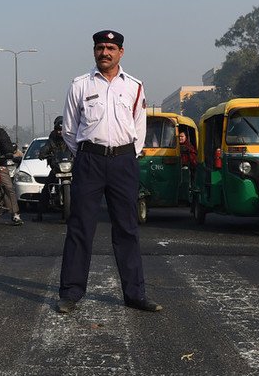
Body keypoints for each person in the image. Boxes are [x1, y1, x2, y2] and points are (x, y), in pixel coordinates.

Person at [57, 29, 161, 314]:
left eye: (111, 48)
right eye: (100, 47)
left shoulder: (135, 86)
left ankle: (135, 294)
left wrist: (127, 156)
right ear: (94, 51)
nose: (105, 52)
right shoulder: (79, 85)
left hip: (124, 163)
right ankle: (71, 293)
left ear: (121, 52)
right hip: (89, 161)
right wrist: (88, 155)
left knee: (127, 228)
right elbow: (69, 129)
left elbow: (139, 127)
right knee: (80, 227)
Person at [33, 116, 71, 222]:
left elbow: (77, 146)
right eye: (58, 130)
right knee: (46, 189)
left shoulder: (72, 136)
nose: (60, 132)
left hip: (70, 167)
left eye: (62, 130)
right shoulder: (52, 138)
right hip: (57, 167)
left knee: (83, 186)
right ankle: (39, 214)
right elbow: (47, 146)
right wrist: (42, 153)